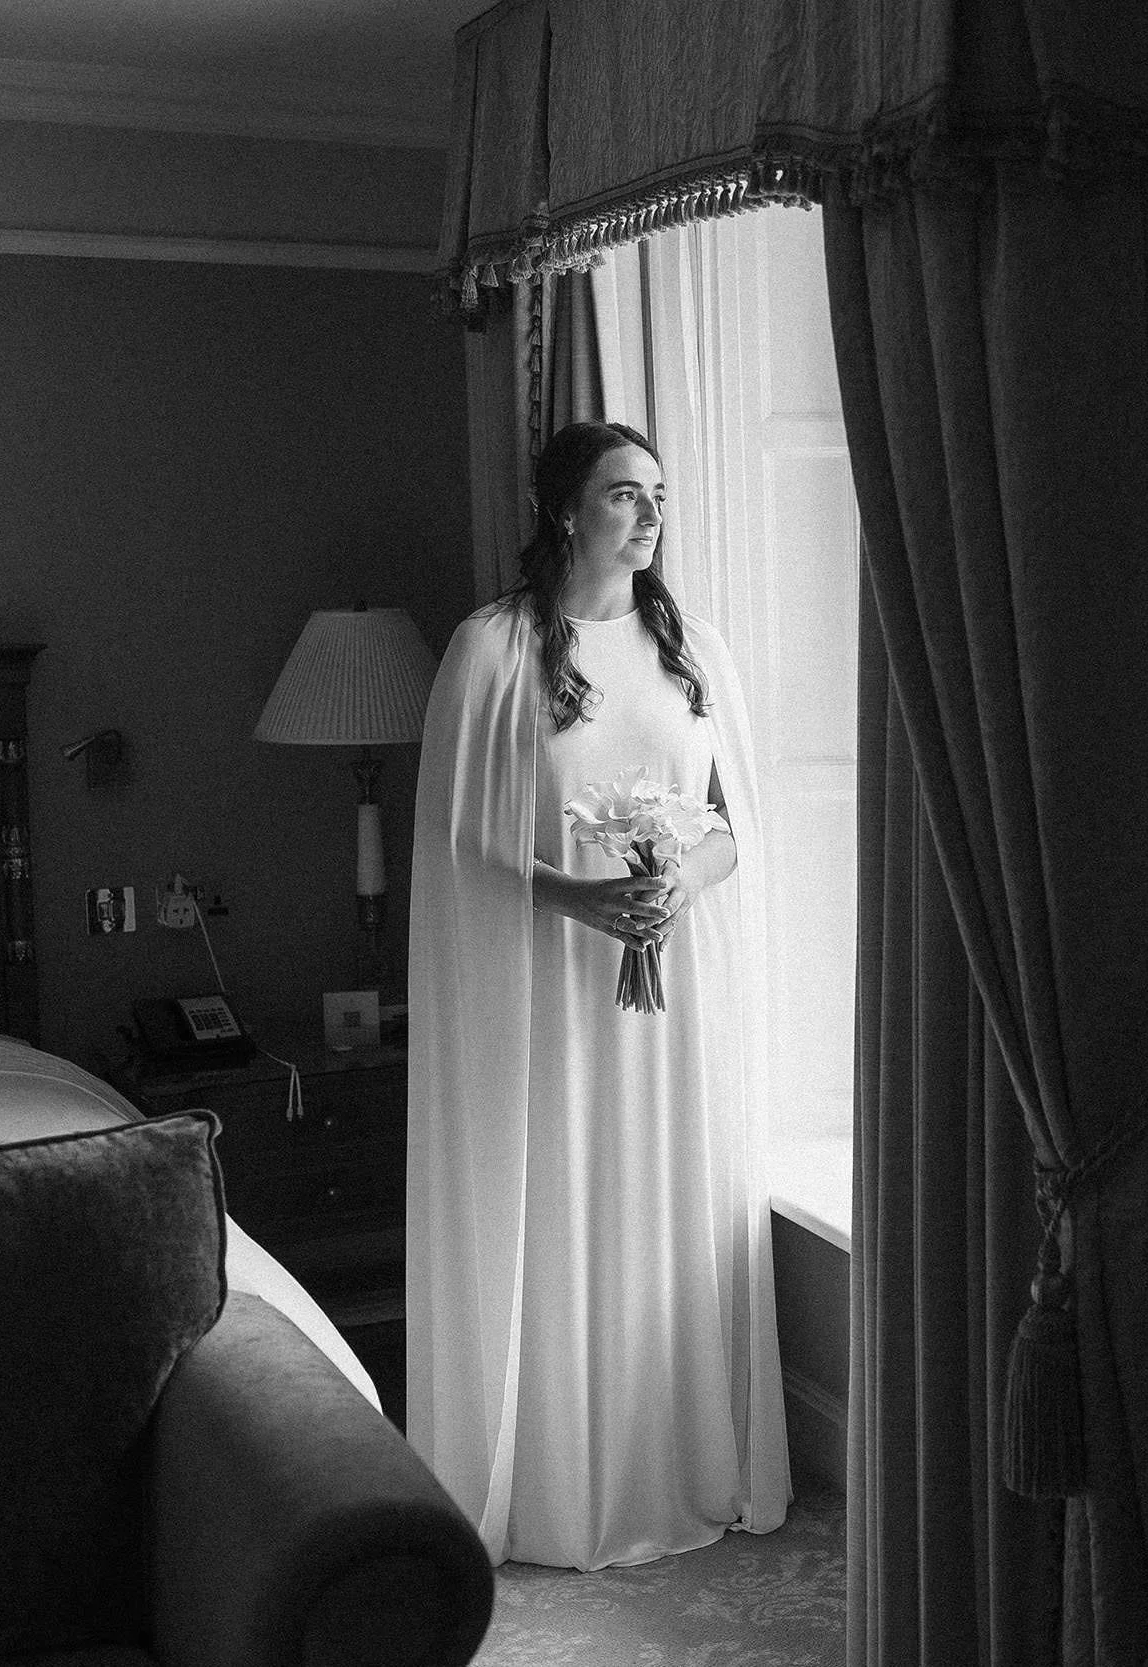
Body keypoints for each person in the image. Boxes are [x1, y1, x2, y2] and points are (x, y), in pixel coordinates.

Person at [406, 419, 789, 1569]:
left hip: (665, 1001)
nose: (652, 513)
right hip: (544, 996)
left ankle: (672, 1457)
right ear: (568, 509)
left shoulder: (694, 652)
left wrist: (677, 886)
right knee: (565, 1202)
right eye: (627, 493)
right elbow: (457, 838)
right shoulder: (495, 647)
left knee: (658, 1206)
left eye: (659, 493)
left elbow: (732, 830)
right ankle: (560, 1484)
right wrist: (577, 898)